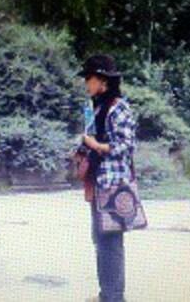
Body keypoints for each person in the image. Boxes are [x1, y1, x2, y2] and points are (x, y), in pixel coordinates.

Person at [76, 54, 137, 302]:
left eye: (89, 79)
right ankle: (106, 295)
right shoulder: (99, 107)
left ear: (102, 80)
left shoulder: (118, 108)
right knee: (101, 241)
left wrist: (96, 145)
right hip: (99, 184)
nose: (86, 84)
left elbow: (126, 145)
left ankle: (114, 298)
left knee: (111, 244)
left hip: (113, 186)